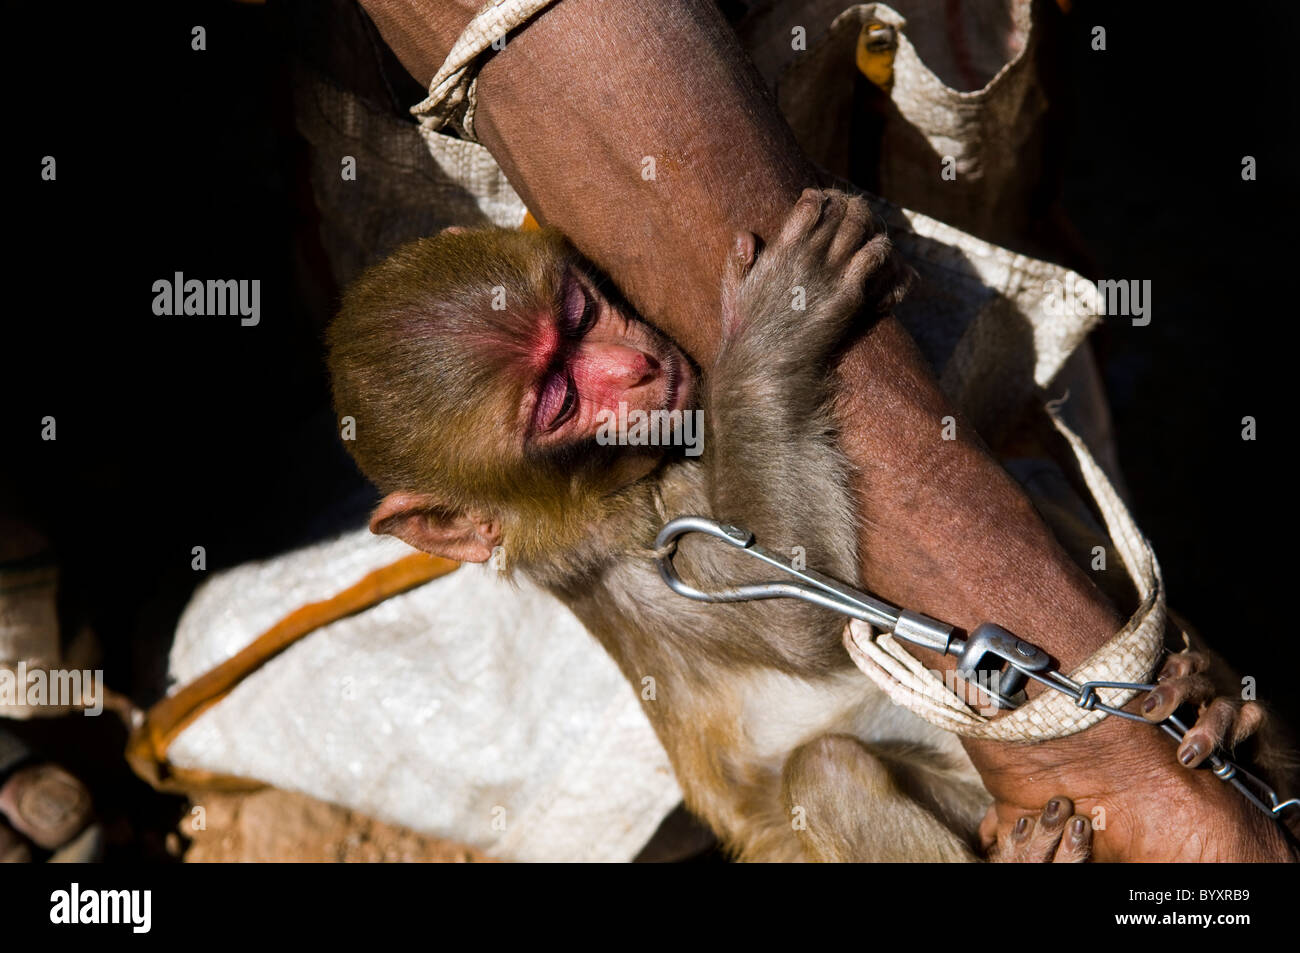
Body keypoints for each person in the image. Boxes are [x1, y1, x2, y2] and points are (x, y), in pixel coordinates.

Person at [349, 0, 1294, 860]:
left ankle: (1192, 726)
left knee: (1096, 575)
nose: (627, 365)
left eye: (578, 307)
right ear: (461, 527)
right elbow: (796, 622)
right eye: (560, 401)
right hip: (887, 806)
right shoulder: (577, 537)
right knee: (829, 783)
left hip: (991, 699)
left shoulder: (624, 385)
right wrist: (761, 374)